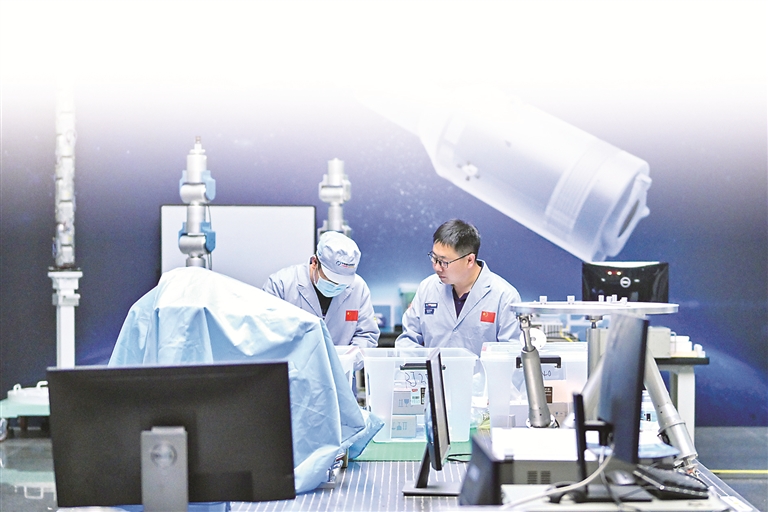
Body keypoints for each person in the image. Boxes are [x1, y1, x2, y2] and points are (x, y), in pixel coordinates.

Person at [395, 219, 521, 355]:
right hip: (434, 369)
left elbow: (511, 354)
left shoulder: (504, 297)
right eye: (434, 258)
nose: (437, 267)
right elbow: (407, 341)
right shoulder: (427, 288)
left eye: (443, 262)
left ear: (469, 260)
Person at [263, 230, 379, 349]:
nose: (337, 285)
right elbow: (266, 334)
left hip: (344, 361)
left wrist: (350, 357)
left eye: (343, 281)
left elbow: (366, 335)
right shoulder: (280, 285)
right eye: (331, 278)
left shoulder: (358, 287)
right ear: (314, 262)